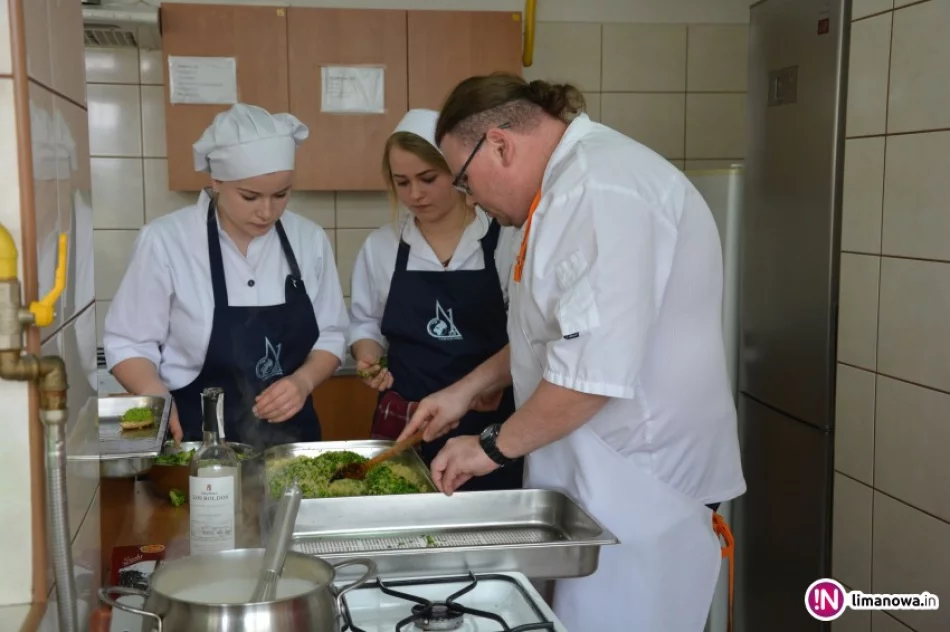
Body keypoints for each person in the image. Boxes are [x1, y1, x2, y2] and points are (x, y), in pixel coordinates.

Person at [397, 74, 746, 632]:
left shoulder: (599, 188)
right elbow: (554, 337)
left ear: (501, 145)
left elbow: (591, 376)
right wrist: (463, 391)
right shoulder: (559, 192)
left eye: (464, 180)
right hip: (594, 476)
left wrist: (489, 447)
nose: (470, 200)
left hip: (641, 486)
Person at [103, 103, 349, 450]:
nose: (267, 211)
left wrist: (304, 382)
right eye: (250, 196)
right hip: (195, 443)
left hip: (292, 446)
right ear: (216, 181)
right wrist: (154, 393)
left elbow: (332, 334)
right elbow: (128, 342)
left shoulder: (309, 239)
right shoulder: (166, 241)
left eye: (281, 194)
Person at [348, 109, 524, 491]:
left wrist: (481, 386)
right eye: (402, 182)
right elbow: (365, 323)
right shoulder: (382, 247)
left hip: (493, 430)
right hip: (408, 427)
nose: (415, 194)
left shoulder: (505, 241)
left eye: (428, 178)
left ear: (460, 172)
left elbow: (530, 336)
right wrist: (367, 356)